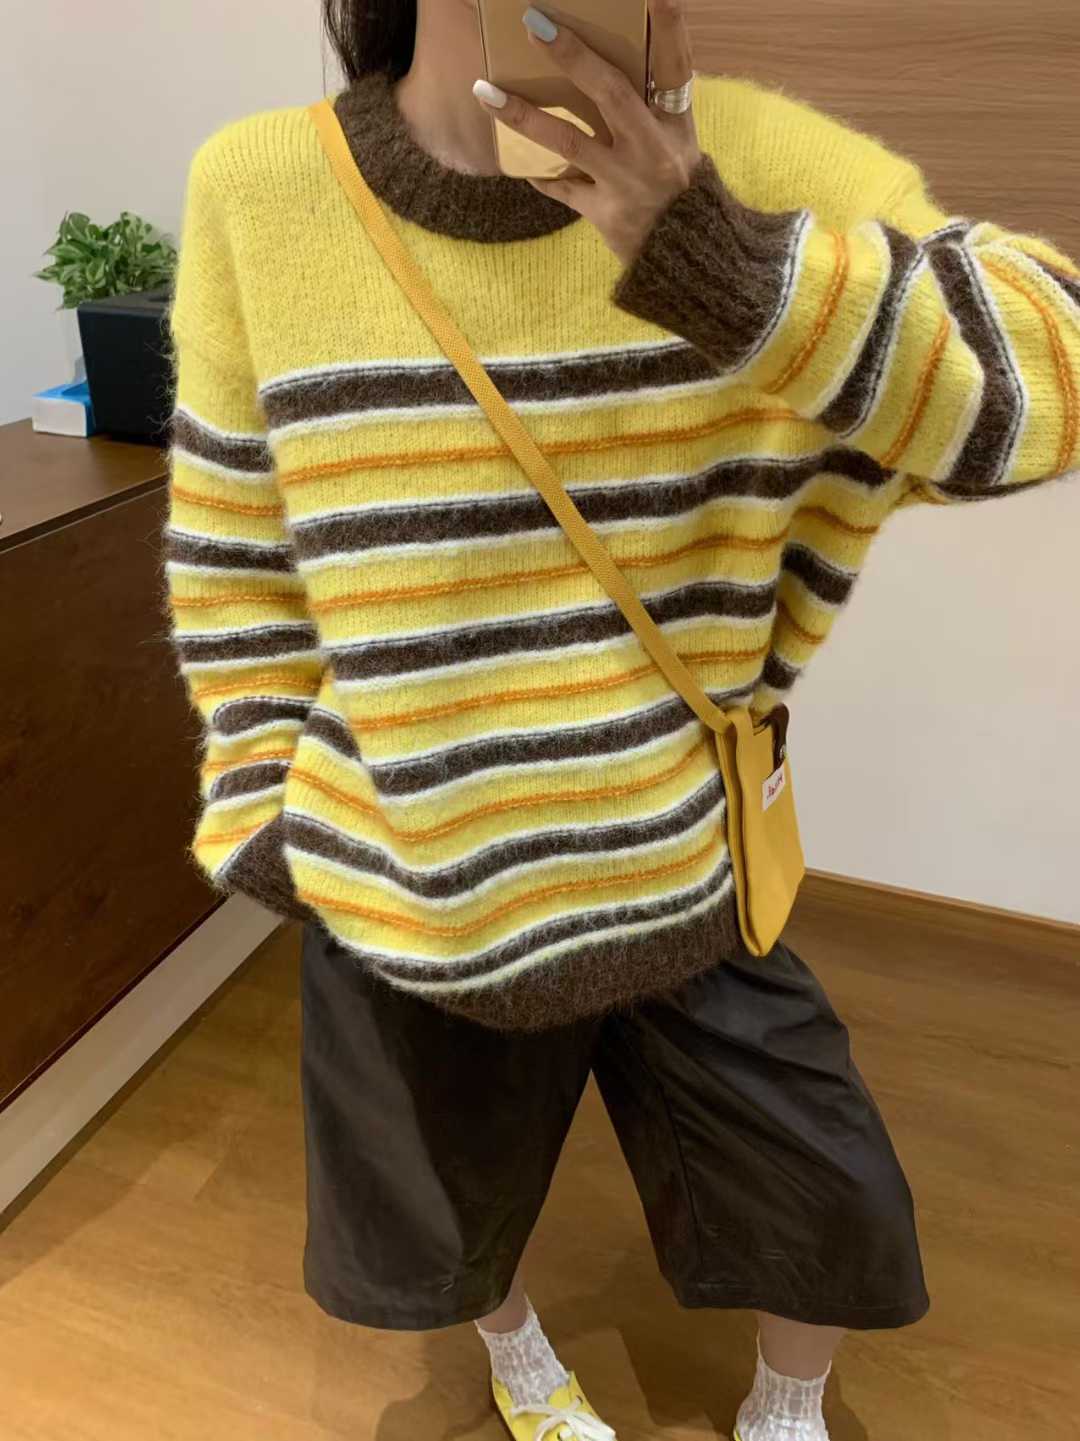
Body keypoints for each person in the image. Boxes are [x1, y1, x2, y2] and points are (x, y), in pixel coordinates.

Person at [163, 1, 1080, 1436]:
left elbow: (1052, 377)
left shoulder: (755, 157)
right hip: (414, 865)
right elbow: (236, 537)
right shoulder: (260, 187)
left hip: (677, 851)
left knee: (825, 1191)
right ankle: (523, 1363)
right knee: (447, 1203)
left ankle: (788, 1405)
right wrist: (265, 803)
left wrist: (727, 262)